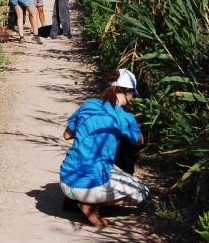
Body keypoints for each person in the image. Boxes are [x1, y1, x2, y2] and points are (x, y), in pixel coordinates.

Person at [59, 69, 149, 227]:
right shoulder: (124, 117)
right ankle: (91, 204)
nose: (132, 98)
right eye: (133, 94)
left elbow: (67, 135)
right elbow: (139, 141)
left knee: (107, 166)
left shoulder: (88, 105)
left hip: (66, 179)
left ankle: (77, 200)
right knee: (142, 191)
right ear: (127, 92)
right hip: (87, 187)